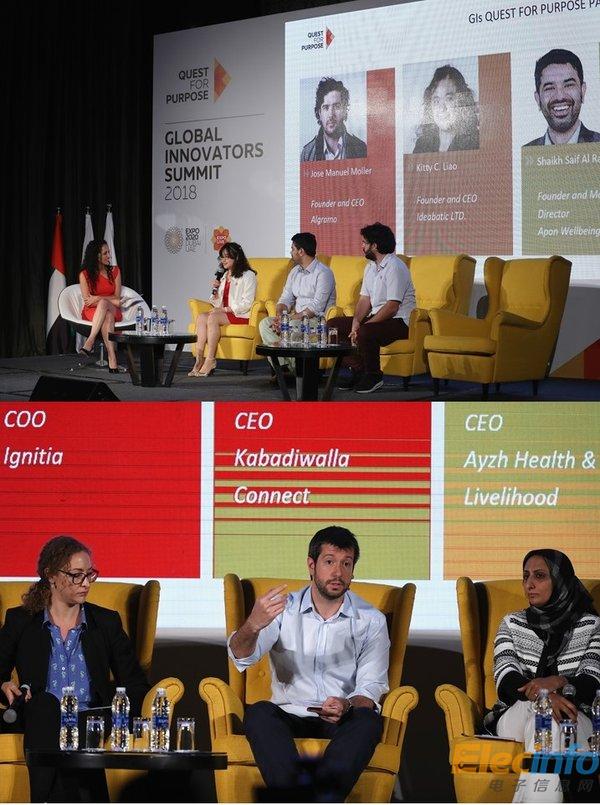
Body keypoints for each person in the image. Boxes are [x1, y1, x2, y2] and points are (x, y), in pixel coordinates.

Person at [228, 526, 388, 801]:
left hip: (341, 720)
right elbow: (241, 655)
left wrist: (347, 704)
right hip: (289, 714)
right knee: (259, 713)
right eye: (329, 562)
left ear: (353, 570)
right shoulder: (283, 610)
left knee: (367, 720)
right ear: (311, 565)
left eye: (346, 564)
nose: (338, 573)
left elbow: (371, 686)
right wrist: (252, 624)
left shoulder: (371, 620)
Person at [0, 536, 150, 802]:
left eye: (89, 574)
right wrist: (4, 685)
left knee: (83, 724)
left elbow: (136, 684)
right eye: (76, 575)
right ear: (51, 575)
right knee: (45, 705)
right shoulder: (21, 620)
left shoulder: (105, 622)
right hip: (40, 715)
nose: (86, 583)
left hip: (91, 716)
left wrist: (121, 713)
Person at [486, 549, 600, 802]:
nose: (529, 584)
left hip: (576, 715)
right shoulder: (512, 623)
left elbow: (592, 681)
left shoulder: (591, 625)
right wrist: (545, 695)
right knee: (546, 714)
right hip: (516, 714)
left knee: (547, 723)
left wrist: (558, 681)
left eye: (539, 576)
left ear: (560, 580)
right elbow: (506, 679)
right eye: (525, 576)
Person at [329, 222, 415, 394]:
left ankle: (374, 375)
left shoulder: (395, 266)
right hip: (378, 318)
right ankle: (359, 370)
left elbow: (392, 306)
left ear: (374, 246)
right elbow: (364, 299)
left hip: (399, 322)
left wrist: (365, 326)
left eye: (364, 242)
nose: (362, 246)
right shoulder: (370, 267)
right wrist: (356, 322)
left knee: (366, 331)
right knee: (333, 327)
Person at [258, 232, 335, 375]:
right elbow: (285, 299)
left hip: (316, 320)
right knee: (265, 324)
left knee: (291, 326)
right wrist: (280, 316)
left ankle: (299, 372)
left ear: (301, 251)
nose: (290, 252)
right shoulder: (294, 272)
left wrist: (288, 320)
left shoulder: (324, 273)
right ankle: (285, 369)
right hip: (295, 318)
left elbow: (316, 307)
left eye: (292, 249)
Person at [188, 242, 257, 377]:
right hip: (224, 313)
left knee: (213, 318)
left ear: (236, 257)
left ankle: (210, 359)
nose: (223, 260)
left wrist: (225, 310)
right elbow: (217, 303)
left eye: (227, 257)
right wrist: (215, 294)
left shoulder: (248, 275)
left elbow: (247, 303)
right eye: (221, 257)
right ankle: (199, 358)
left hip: (240, 314)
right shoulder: (224, 276)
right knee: (201, 317)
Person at [525, 49, 600, 146]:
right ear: (537, 99)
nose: (560, 96)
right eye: (549, 88)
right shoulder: (527, 151)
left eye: (568, 85)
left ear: (582, 91)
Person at [78, 239, 124, 373]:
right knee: (107, 315)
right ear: (96, 256)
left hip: (113, 309)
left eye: (109, 252)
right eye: (105, 253)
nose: (109, 256)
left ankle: (90, 341)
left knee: (104, 304)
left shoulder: (115, 271)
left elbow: (117, 298)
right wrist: (110, 300)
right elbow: (88, 302)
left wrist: (98, 298)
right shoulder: (84, 275)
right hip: (92, 312)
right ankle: (112, 358)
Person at [413, 65, 479, 153]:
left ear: (462, 102)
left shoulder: (476, 142)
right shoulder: (421, 144)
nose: (442, 108)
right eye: (436, 101)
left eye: (449, 99)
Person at [301, 77, 367, 162]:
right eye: (326, 107)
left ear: (345, 110)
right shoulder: (307, 153)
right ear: (319, 113)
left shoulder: (361, 149)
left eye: (337, 107)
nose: (331, 114)